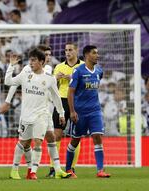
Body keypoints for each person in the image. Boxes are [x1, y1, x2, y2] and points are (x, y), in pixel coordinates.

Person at [5, 48, 70, 180]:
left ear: (41, 62)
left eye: (33, 60)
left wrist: (61, 113)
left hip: (42, 115)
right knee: (23, 142)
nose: (31, 63)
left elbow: (56, 98)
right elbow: (8, 82)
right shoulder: (25, 75)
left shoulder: (50, 79)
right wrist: (11, 66)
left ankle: (36, 171)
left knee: (41, 140)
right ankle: (14, 170)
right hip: (26, 116)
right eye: (30, 60)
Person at [66, 45, 111, 178]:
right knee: (75, 140)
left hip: (95, 111)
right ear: (86, 55)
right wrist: (72, 111)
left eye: (97, 53)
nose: (97, 55)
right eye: (94, 53)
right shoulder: (78, 71)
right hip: (79, 112)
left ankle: (100, 170)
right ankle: (68, 169)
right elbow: (70, 92)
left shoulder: (99, 71)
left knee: (97, 137)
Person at [47, 42, 84, 177]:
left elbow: (86, 84)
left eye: (70, 50)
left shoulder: (82, 66)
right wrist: (55, 78)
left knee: (76, 136)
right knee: (56, 135)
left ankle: (71, 168)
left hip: (76, 102)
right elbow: (51, 85)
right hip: (61, 102)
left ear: (76, 51)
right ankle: (53, 168)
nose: (67, 53)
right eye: (66, 50)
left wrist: (73, 79)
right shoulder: (58, 67)